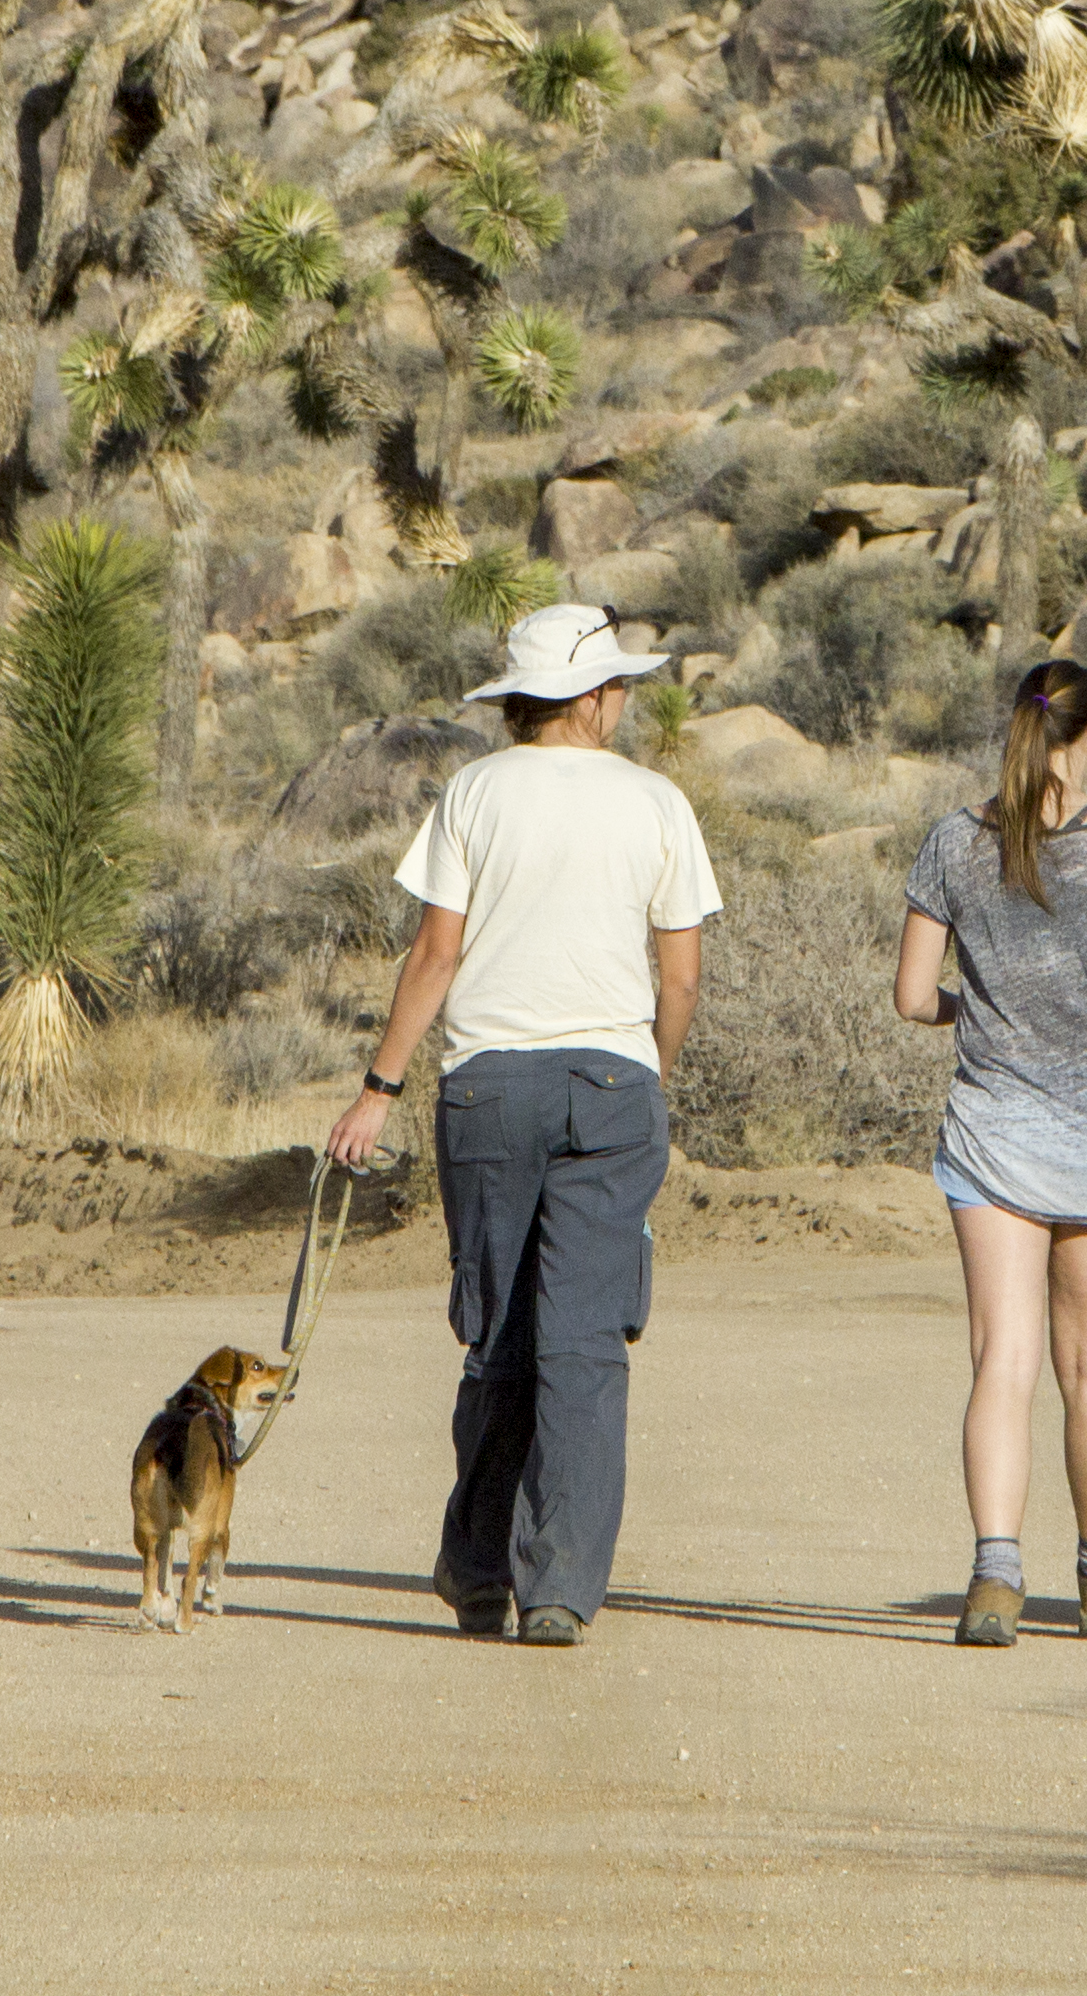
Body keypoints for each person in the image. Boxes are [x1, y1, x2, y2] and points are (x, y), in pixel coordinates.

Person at [324, 599, 721, 1648]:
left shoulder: (473, 793)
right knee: (586, 1344)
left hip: (490, 1085)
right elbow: (679, 977)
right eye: (619, 686)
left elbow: (435, 956)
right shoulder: (657, 803)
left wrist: (380, 1086)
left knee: (496, 1332)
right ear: (590, 699)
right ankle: (559, 1588)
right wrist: (652, 1073)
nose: (626, 701)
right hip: (612, 1083)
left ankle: (478, 1568)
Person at [892, 657, 1087, 1647]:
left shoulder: (953, 842)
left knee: (1002, 1361)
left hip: (994, 1134)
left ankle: (994, 1576)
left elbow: (909, 997)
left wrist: (971, 1008)